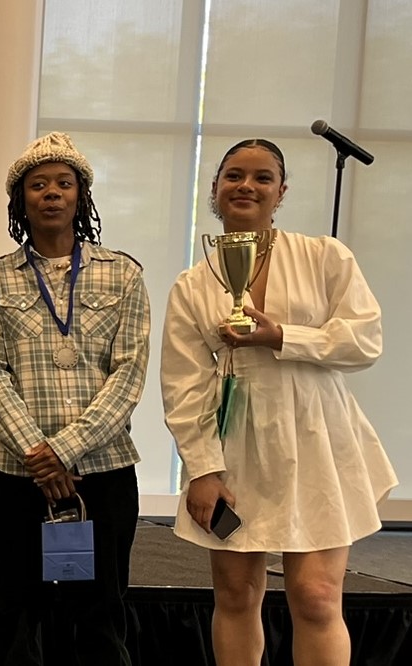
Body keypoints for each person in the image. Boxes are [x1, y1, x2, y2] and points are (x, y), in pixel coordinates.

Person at [162, 138, 396, 666]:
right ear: (216, 188)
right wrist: (202, 469)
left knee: (315, 598)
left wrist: (284, 337)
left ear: (281, 192)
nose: (247, 186)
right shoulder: (193, 283)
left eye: (262, 177)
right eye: (234, 175)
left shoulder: (324, 256)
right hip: (234, 449)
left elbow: (365, 341)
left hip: (318, 438)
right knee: (237, 595)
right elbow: (183, 383)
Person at [0, 133, 149, 665]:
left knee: (100, 613)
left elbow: (129, 374)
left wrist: (65, 451)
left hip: (103, 472)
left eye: (64, 183)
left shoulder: (123, 274)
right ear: (20, 200)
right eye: (38, 184)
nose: (51, 193)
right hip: (12, 474)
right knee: (11, 614)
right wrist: (38, 455)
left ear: (81, 196)